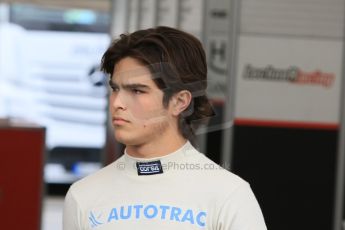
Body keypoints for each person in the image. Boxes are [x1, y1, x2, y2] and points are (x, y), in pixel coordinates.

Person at [63, 26, 267, 230]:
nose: (117, 102)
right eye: (115, 88)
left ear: (180, 102)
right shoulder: (83, 196)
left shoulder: (229, 196)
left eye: (136, 91)